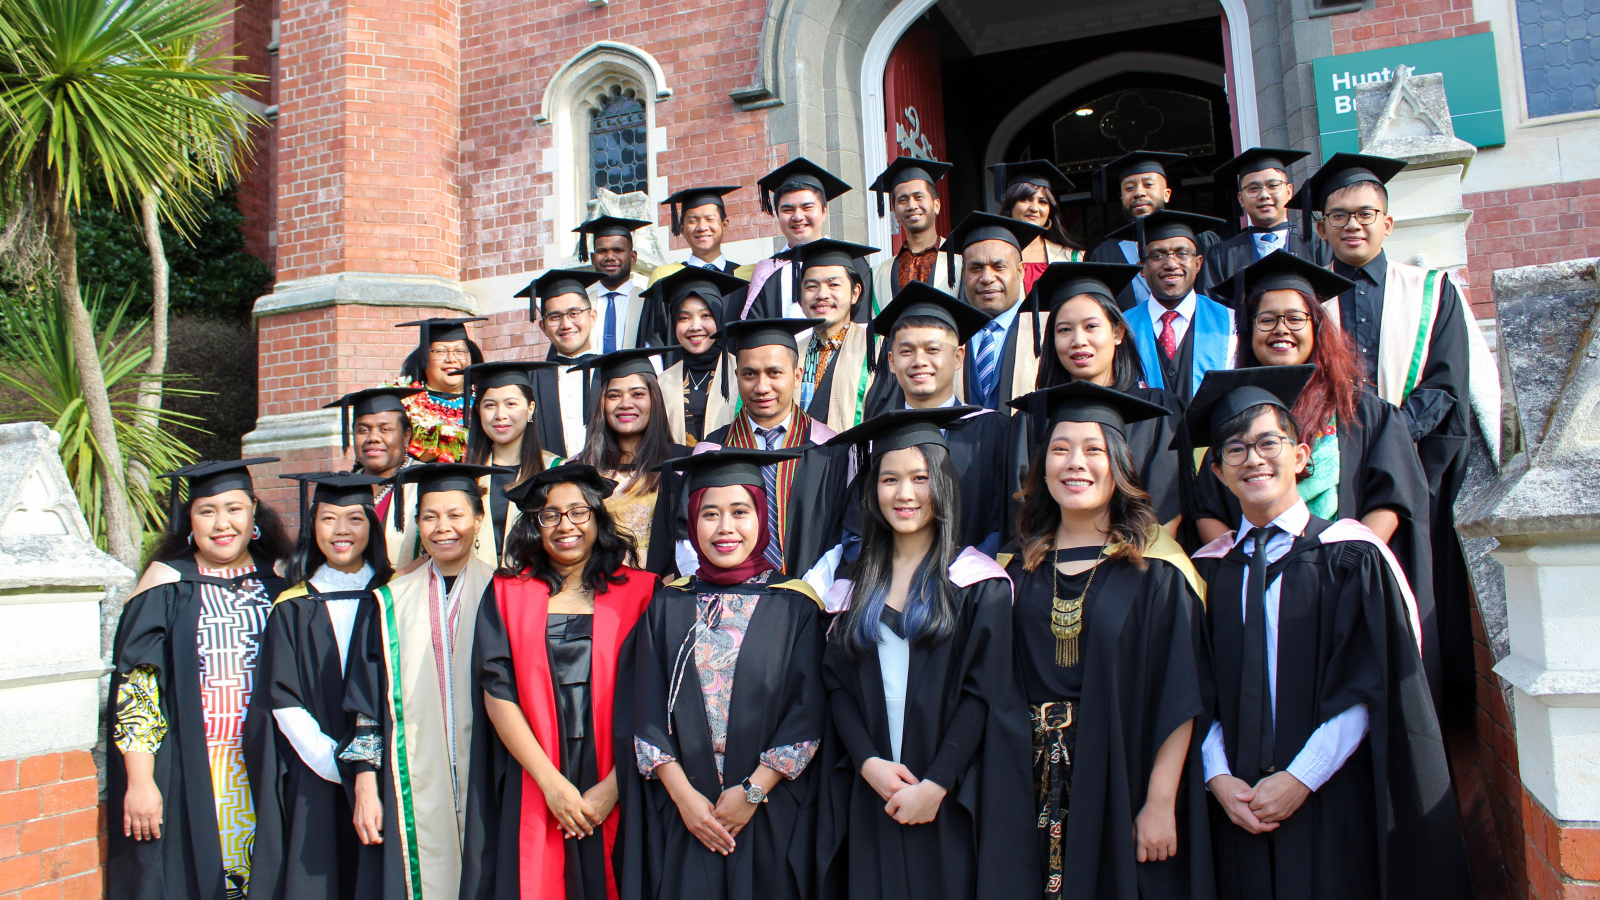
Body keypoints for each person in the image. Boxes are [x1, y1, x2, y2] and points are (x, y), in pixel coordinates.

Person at [1185, 367, 1470, 900]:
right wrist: (1219, 778)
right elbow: (1196, 694)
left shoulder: (1351, 556)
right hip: (1237, 806)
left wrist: (1302, 778)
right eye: (1235, 450)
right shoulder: (1207, 573)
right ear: (1219, 474)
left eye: (1269, 442)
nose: (1253, 459)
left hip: (1331, 794)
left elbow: (1376, 682)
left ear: (1300, 456)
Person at [1003, 383, 1214, 900]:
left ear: (1118, 465)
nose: (1076, 463)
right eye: (1060, 449)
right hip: (1021, 786)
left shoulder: (1158, 572)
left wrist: (1160, 801)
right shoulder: (1014, 573)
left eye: (1094, 449)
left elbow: (1180, 695)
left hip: (1120, 775)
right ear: (1042, 467)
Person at [814, 409, 1035, 900]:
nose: (905, 494)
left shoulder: (978, 584)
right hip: (872, 789)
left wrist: (935, 784)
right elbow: (837, 686)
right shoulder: (850, 589)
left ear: (944, 484)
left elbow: (985, 694)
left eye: (919, 478)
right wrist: (869, 763)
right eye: (889, 479)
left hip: (950, 793)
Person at [1300, 153, 1481, 725]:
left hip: (1410, 469)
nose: (1353, 224)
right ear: (1321, 226)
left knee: (1414, 591)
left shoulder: (1430, 291)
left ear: (1387, 223)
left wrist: (1386, 438)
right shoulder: (1302, 300)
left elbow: (1448, 381)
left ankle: (1419, 715)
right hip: (1330, 469)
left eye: (1365, 214)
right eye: (1339, 215)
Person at [614, 448, 828, 900]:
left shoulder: (796, 605)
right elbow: (646, 710)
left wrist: (751, 793)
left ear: (761, 517)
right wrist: (685, 798)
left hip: (771, 812)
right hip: (684, 815)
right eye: (710, 513)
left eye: (739, 511)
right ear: (692, 521)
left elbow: (808, 713)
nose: (725, 527)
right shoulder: (667, 604)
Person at [1190, 253, 1432, 635]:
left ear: (1317, 327)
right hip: (1254, 583)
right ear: (1250, 333)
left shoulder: (1364, 412)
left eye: (1294, 318)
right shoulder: (1231, 415)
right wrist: (1246, 567)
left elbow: (1392, 498)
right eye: (1266, 320)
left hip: (1345, 581)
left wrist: (1347, 563)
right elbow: (1207, 504)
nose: (1280, 329)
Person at [460, 464, 657, 900]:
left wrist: (614, 788)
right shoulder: (507, 592)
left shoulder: (643, 592)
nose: (565, 525)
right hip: (537, 770)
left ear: (599, 519)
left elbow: (656, 699)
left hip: (619, 773)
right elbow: (497, 692)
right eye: (551, 515)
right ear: (535, 525)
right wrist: (552, 785)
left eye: (578, 512)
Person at [107, 458, 292, 900]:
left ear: (254, 515)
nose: (222, 523)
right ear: (189, 520)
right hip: (188, 769)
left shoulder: (284, 582)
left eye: (234, 508)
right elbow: (139, 689)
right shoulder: (166, 586)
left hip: (271, 769)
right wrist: (140, 780)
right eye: (207, 511)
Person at [339, 463, 503, 900]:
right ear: (416, 524)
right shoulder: (389, 601)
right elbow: (365, 707)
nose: (442, 528)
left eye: (456, 515)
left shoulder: (508, 592)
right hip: (407, 786)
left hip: (495, 782)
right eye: (429, 517)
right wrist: (365, 783)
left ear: (479, 519)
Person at [245, 472, 392, 900]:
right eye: (328, 519)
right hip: (316, 770)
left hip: (392, 767)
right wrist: (337, 766)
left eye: (355, 519)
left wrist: (371, 768)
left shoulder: (395, 594)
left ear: (373, 526)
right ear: (312, 526)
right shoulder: (292, 605)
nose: (341, 531)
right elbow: (282, 697)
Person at [685, 318, 853, 594]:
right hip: (723, 598)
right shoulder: (710, 451)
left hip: (811, 599)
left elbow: (844, 532)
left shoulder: (831, 449)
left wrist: (808, 591)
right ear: (737, 375)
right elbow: (687, 532)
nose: (762, 387)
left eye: (774, 373)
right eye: (750, 374)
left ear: (797, 376)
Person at [1023, 262, 1185, 534]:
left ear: (1117, 333)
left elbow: (1167, 503)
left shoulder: (1158, 410)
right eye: (1064, 330)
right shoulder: (1034, 417)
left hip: (1141, 560)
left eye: (1091, 326)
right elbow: (1025, 507)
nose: (1078, 340)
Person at [863, 284, 1010, 551]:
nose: (919, 361)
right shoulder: (875, 438)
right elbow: (859, 525)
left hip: (972, 582)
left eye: (932, 350)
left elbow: (1006, 519)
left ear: (958, 357)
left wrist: (969, 574)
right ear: (892, 361)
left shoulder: (992, 429)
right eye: (906, 351)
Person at [568, 347, 689, 562]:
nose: (625, 403)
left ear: (654, 399)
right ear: (602, 404)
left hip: (661, 590)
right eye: (614, 395)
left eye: (637, 394)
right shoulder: (579, 469)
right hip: (598, 589)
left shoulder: (683, 464)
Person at [1104, 210, 1234, 404]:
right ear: (1142, 268)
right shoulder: (1122, 328)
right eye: (1157, 256)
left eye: (1182, 253)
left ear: (1198, 263)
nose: (1171, 264)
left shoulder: (1232, 322)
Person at [458, 361, 564, 567]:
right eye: (490, 405)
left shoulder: (556, 470)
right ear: (478, 411)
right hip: (475, 589)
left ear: (530, 408)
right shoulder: (465, 475)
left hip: (539, 587)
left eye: (511, 404)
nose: (500, 415)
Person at [940, 211, 1048, 413]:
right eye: (976, 268)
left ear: (1020, 271)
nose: (987, 278)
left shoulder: (1047, 329)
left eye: (999, 267)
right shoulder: (947, 335)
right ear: (964, 274)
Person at [744, 157, 872, 321]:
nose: (797, 216)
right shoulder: (767, 272)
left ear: (824, 211)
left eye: (807, 207)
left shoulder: (853, 263)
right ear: (777, 214)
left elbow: (861, 326)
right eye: (787, 209)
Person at [1087, 151, 1208, 310]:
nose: (1138, 193)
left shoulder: (1199, 240)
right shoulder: (1104, 254)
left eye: (1148, 184)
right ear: (1122, 198)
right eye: (1129, 188)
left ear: (1167, 194)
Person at [323, 386, 425, 568]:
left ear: (406, 436)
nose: (373, 438)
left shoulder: (426, 482)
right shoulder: (341, 488)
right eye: (363, 430)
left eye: (385, 429)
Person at [790, 238, 880, 432]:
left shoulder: (876, 349)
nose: (822, 294)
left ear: (855, 293)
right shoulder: (790, 353)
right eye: (811, 286)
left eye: (834, 285)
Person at [650, 266, 746, 444]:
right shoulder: (662, 382)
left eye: (706, 316)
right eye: (684, 318)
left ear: (719, 319)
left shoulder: (744, 374)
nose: (695, 326)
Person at [1199, 148, 1317, 292]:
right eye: (1253, 188)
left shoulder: (1319, 248)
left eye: (1273, 185)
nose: (1264, 195)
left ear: (1289, 191)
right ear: (1241, 199)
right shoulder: (1219, 257)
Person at [520, 268, 605, 458]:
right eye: (555, 317)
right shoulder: (530, 381)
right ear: (543, 326)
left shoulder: (613, 372)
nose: (566, 324)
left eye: (574, 313)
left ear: (592, 317)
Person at [391, 316, 488, 463]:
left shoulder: (486, 400)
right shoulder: (403, 404)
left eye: (460, 351)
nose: (451, 359)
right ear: (424, 358)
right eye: (440, 352)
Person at [867, 156, 956, 304]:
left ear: (937, 205)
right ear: (895, 213)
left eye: (919, 197)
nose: (911, 206)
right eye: (902, 200)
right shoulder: (878, 275)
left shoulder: (961, 262)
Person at [988, 160, 1086, 295]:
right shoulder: (989, 255)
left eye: (1043, 202)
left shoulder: (1071, 258)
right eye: (1025, 199)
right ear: (1010, 206)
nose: (1034, 208)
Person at [575, 215, 656, 351]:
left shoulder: (648, 303)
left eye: (618, 250)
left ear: (633, 257)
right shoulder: (581, 306)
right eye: (602, 251)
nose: (610, 257)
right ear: (593, 258)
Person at [652, 186, 744, 278]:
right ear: (682, 229)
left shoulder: (749, 276)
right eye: (693, 221)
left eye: (710, 219)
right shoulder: (665, 277)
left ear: (724, 226)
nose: (702, 227)